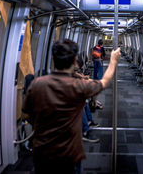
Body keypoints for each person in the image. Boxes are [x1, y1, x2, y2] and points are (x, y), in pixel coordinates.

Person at [22, 39, 121, 174]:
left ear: (53, 58)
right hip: (68, 154)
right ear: (75, 60)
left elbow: (26, 115)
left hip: (42, 153)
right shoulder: (78, 86)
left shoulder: (37, 85)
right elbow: (104, 81)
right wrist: (113, 61)